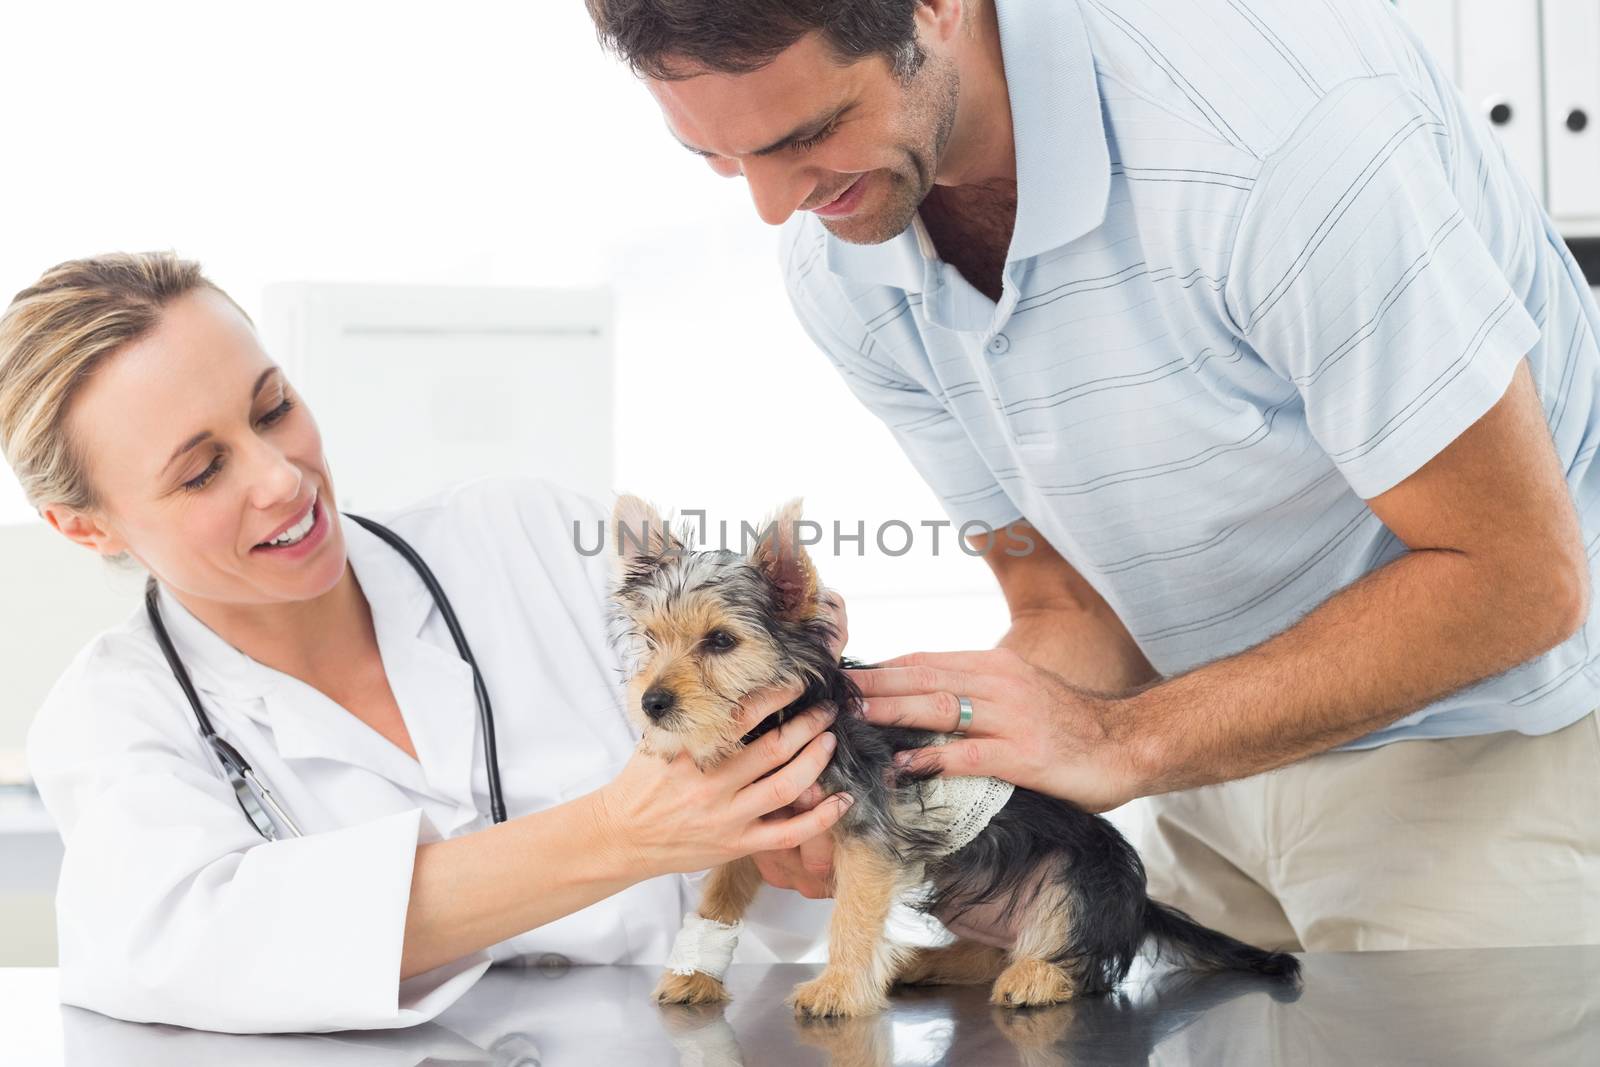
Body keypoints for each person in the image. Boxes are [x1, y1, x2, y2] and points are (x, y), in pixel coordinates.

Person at [586, 0, 1600, 950]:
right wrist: (909, 784)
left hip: (1495, 756)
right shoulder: (849, 255)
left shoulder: (1270, 140)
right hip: (1209, 769)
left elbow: (1519, 577)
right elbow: (1065, 598)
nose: (775, 205)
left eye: (807, 132)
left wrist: (1124, 741)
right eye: (718, 156)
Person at [0, 252, 851, 1033]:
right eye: (201, 471)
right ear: (82, 527)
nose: (281, 476)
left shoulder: (529, 538)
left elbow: (793, 860)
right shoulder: (108, 718)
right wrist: (618, 833)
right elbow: (192, 943)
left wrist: (811, 777)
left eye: (275, 408)